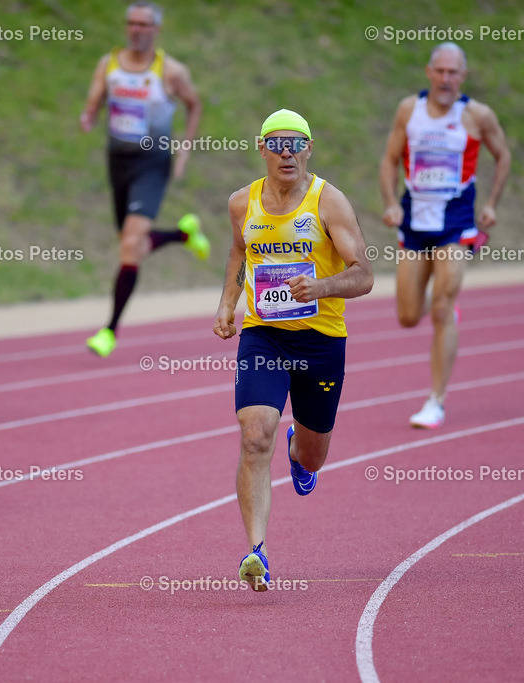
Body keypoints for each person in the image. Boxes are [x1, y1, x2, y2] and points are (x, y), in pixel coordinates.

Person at [213, 110, 374, 590]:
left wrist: (320, 286)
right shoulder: (242, 202)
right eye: (278, 143)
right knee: (254, 433)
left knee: (312, 454)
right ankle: (256, 552)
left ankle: (299, 454)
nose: (287, 152)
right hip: (264, 335)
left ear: (309, 149)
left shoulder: (329, 202)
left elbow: (364, 275)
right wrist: (227, 304)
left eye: (296, 143)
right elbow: (239, 251)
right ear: (261, 147)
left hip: (321, 341)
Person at [379, 42, 511, 428]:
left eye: (453, 72)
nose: (445, 79)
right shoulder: (409, 110)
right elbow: (389, 160)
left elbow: (503, 155)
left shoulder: (477, 115)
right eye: (440, 71)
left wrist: (492, 204)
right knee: (407, 315)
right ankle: (443, 306)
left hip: (456, 222)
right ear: (428, 72)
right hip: (414, 222)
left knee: (439, 309)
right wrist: (390, 202)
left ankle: (435, 400)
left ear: (463, 76)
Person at [79, 1, 209, 357]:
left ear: (156, 30)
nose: (135, 30)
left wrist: (185, 149)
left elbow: (194, 104)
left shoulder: (171, 71)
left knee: (131, 242)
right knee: (130, 243)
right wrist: (89, 115)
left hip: (152, 162)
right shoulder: (109, 65)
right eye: (131, 23)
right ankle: (184, 234)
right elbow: (95, 99)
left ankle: (109, 330)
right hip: (117, 161)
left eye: (143, 24)